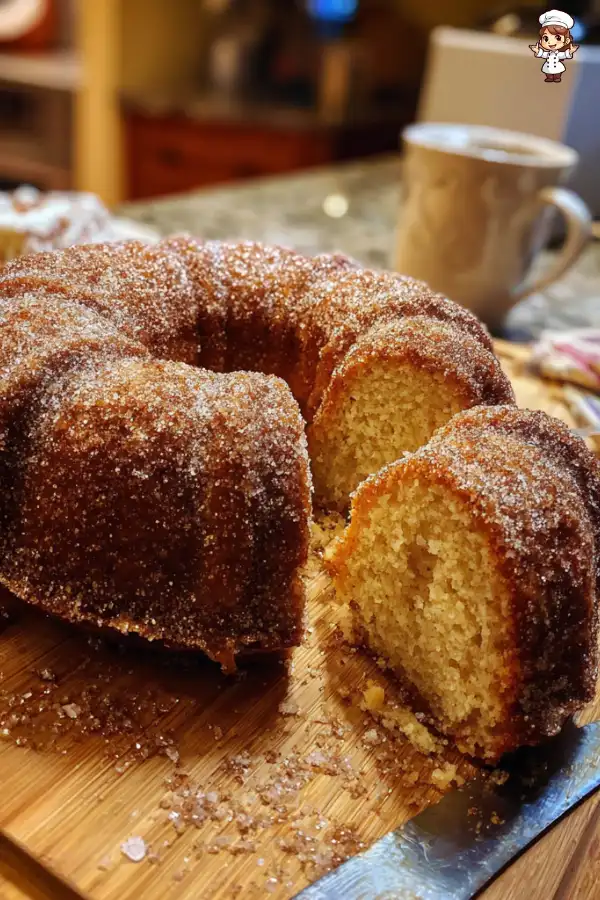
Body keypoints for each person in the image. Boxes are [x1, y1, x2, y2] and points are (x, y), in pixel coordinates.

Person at [529, 9, 579, 82]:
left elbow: (564, 55)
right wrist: (538, 51)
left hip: (557, 68)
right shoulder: (547, 53)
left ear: (566, 41)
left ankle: (557, 77)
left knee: (557, 73)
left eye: (558, 38)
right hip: (548, 67)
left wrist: (570, 52)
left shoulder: (559, 54)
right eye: (546, 38)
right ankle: (549, 77)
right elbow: (543, 54)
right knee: (548, 73)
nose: (551, 42)